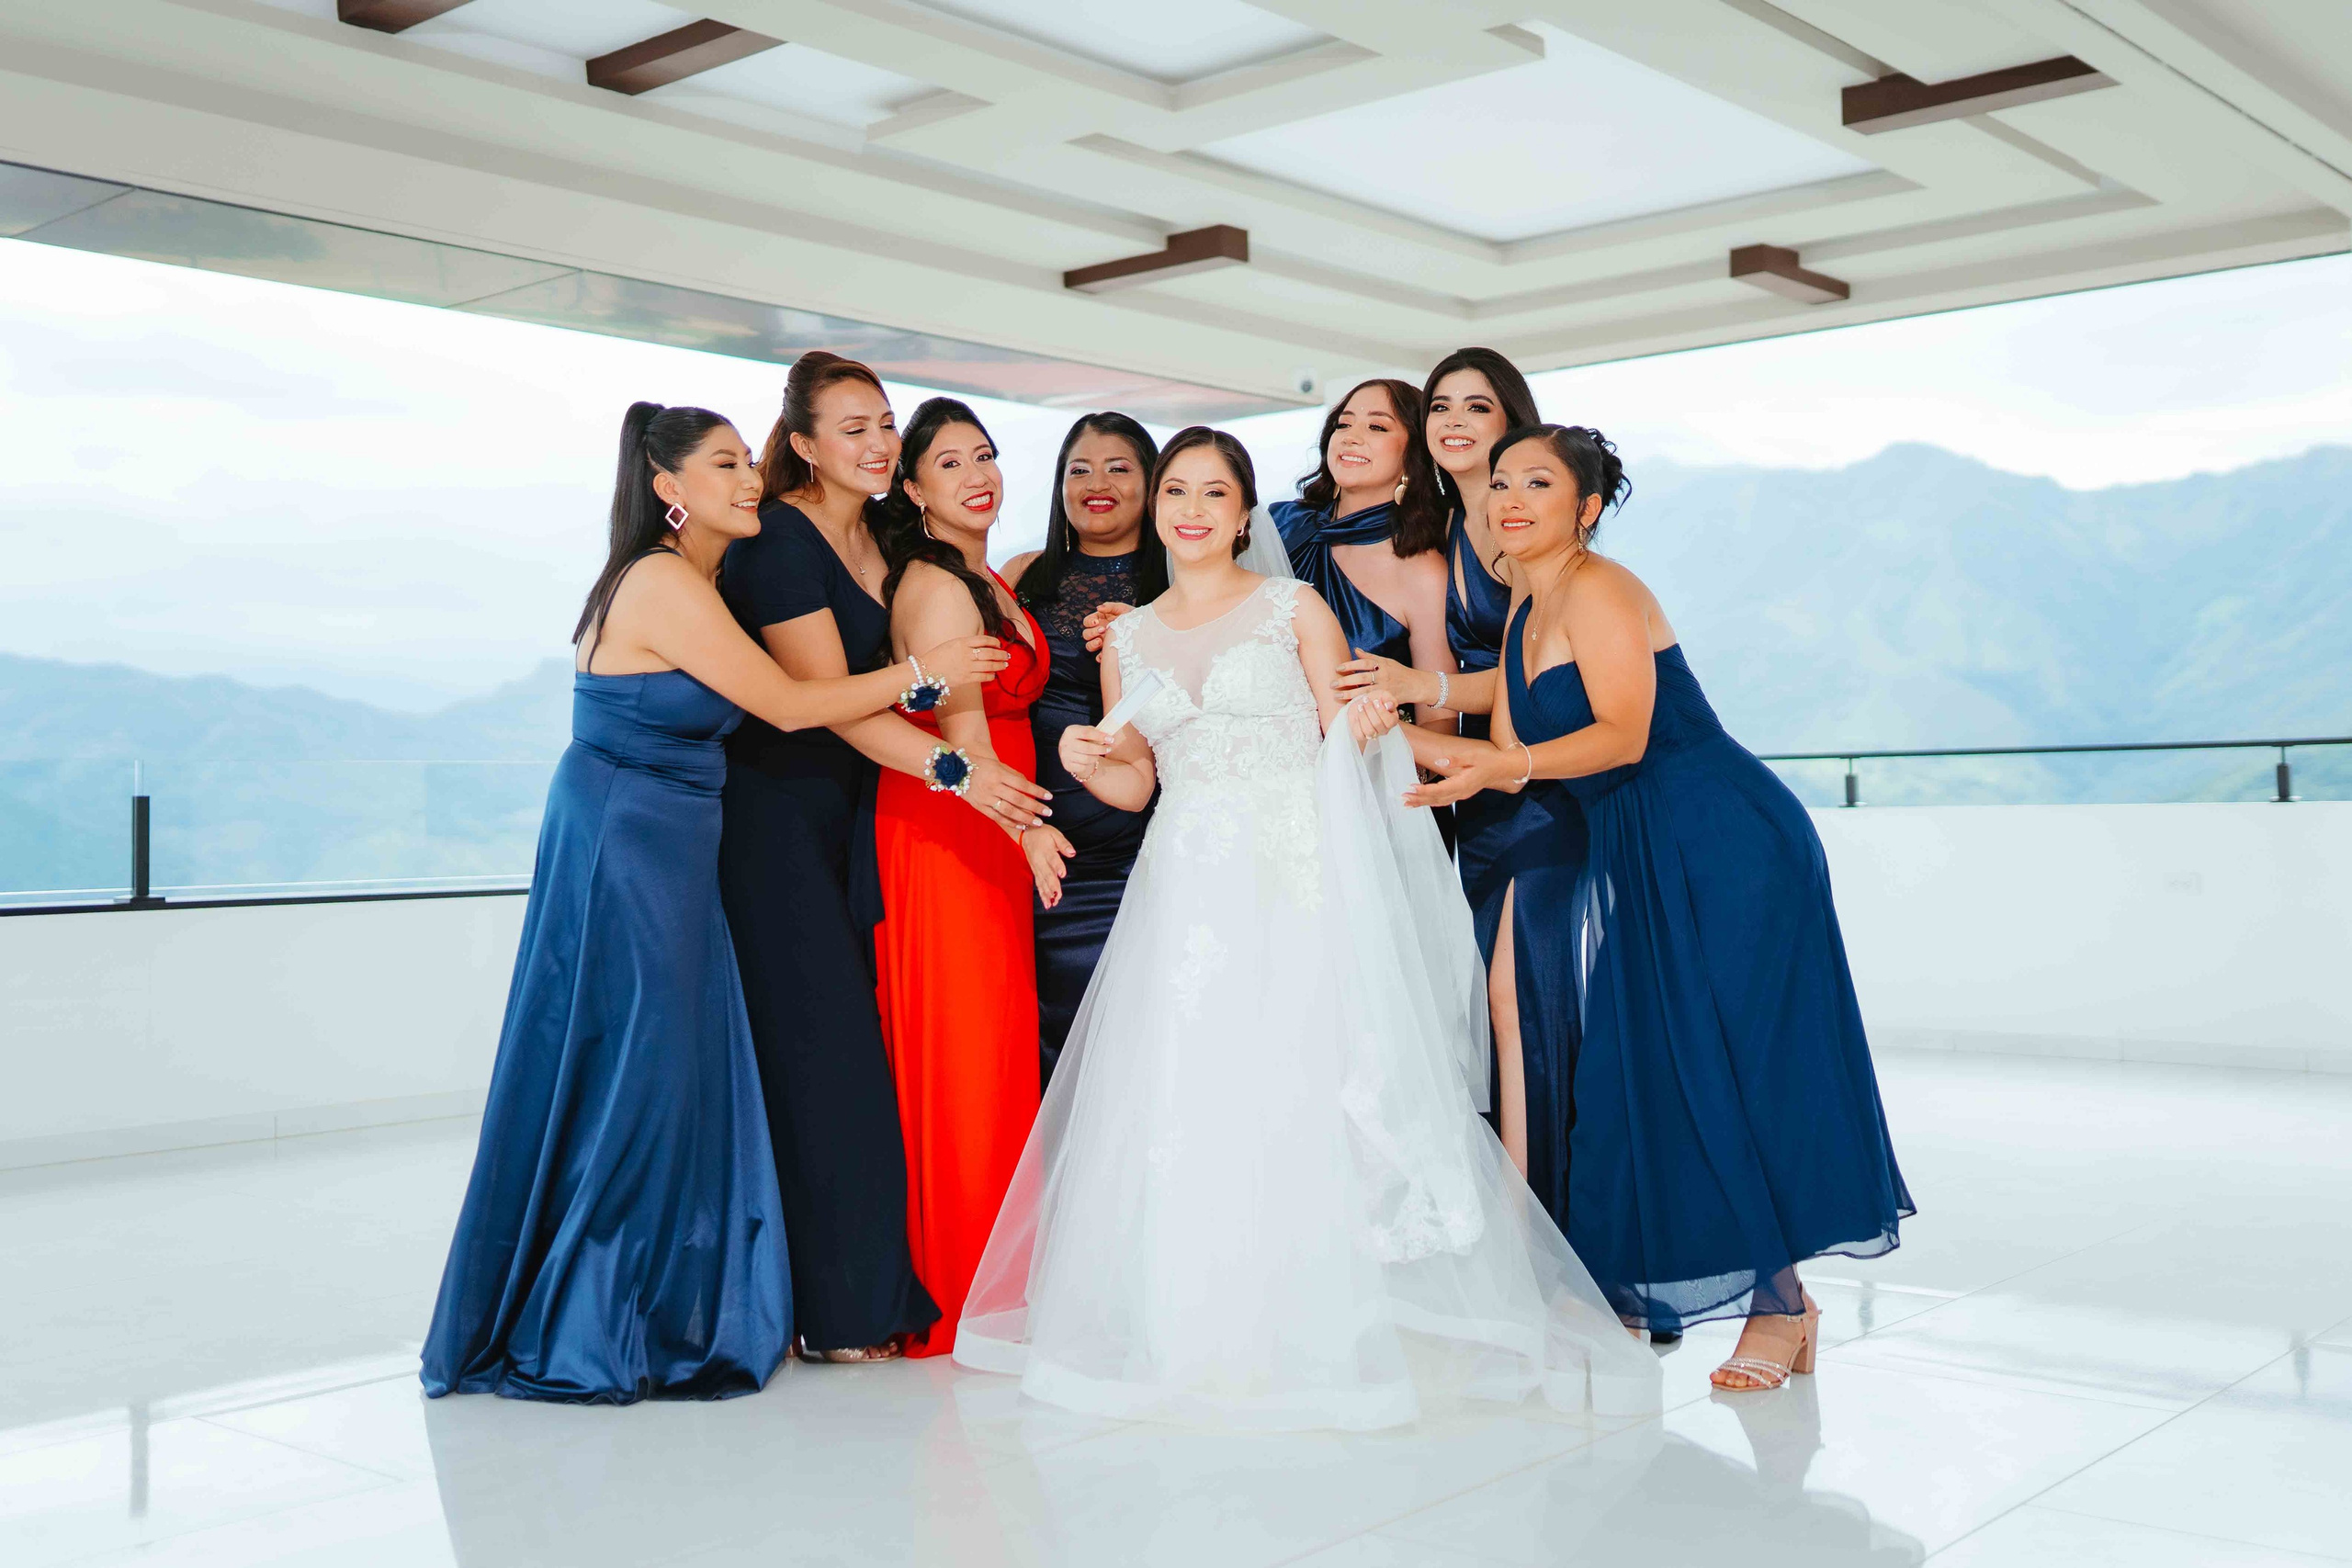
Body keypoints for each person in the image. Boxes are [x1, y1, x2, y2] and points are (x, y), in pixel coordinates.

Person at [954, 426, 1660, 1430]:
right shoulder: (1132, 635)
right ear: (1157, 513)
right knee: (1192, 1094)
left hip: (1296, 874)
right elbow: (1137, 776)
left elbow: (1346, 725)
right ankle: (1201, 1327)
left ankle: (1335, 1322)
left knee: (1306, 1079)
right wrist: (1081, 760)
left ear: (1245, 514)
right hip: (1186, 889)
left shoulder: (1294, 607)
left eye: (1212, 492)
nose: (1190, 509)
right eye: (1175, 492)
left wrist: (1375, 724)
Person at [422, 403, 1008, 1404]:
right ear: (669, 487)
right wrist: (921, 677)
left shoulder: (695, 580)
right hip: (630, 834)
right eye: (727, 464)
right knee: (637, 1067)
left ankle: (654, 1297)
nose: (750, 479)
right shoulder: (659, 582)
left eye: (749, 460)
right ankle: (600, 1309)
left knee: (665, 1064)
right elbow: (784, 705)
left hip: (675, 832)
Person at [1402, 423, 1914, 1391]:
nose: (1508, 499)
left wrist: (1498, 760)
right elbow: (1512, 718)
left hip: (1722, 842)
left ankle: (1782, 1309)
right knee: (1648, 1073)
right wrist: (1411, 703)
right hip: (1637, 852)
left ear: (1585, 509)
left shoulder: (1602, 588)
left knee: (1728, 1066)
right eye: (1499, 483)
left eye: (1537, 484)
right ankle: (1631, 1290)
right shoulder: (1525, 603)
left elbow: (1622, 734)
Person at [716, 353, 1052, 1364]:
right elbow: (831, 707)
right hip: (779, 821)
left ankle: (881, 1290)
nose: (873, 442)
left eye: (882, 424)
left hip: (856, 818)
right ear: (805, 445)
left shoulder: (882, 542)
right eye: (850, 428)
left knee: (864, 1066)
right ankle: (845, 1311)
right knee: (828, 1067)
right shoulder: (780, 539)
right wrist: (958, 756)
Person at [871, 397, 1051, 1359]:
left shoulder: (991, 576)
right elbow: (965, 738)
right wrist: (1022, 832)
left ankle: (994, 1277)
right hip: (956, 822)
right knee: (964, 1046)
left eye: (984, 456)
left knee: (993, 1043)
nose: (977, 475)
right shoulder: (937, 588)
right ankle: (959, 1288)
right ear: (911, 488)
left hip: (991, 816)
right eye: (948, 464)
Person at [1003, 413, 1165, 1086]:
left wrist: (1149, 638)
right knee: (1049, 1043)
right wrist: (1020, 823)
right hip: (1042, 845)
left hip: (1146, 849)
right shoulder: (1021, 574)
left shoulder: (1180, 583)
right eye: (1080, 469)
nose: (1098, 483)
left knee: (1141, 1043)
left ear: (1152, 484)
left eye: (1119, 468)